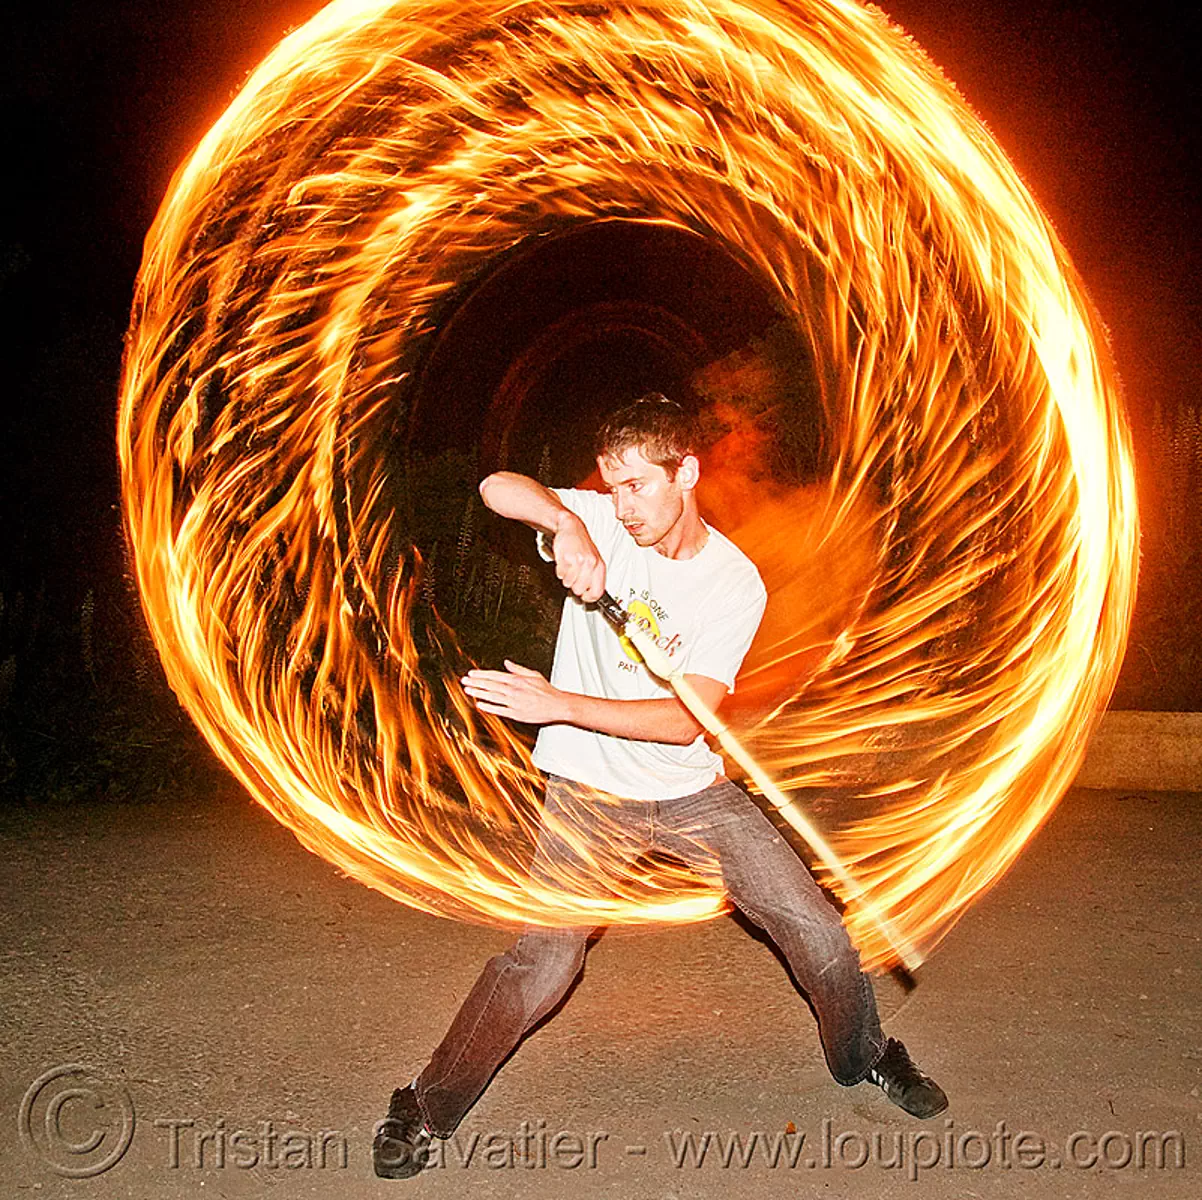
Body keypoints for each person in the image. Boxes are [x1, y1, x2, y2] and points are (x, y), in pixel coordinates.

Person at [373, 394, 947, 1179]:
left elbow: (686, 723)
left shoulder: (733, 584)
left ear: (688, 473)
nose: (625, 506)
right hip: (588, 795)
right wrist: (569, 524)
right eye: (611, 489)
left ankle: (867, 1055)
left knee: (816, 932)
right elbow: (497, 489)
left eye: (639, 486)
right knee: (543, 965)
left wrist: (558, 705)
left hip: (692, 794)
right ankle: (424, 1104)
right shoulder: (604, 520)